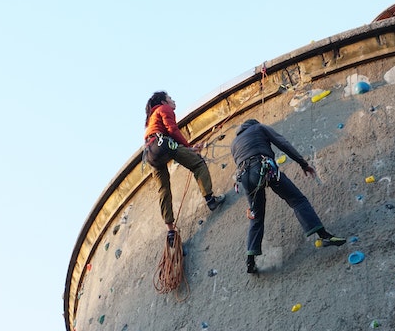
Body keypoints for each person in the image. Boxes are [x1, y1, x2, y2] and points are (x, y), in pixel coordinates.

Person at [231, 118, 345, 274]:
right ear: (254, 124)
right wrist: (302, 163)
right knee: (297, 200)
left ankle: (250, 260)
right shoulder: (259, 128)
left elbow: (241, 162)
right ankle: (324, 235)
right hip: (264, 167)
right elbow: (282, 143)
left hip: (244, 177)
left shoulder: (234, 143)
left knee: (256, 216)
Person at [144, 91, 225, 242]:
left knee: (163, 189)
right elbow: (172, 130)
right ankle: (210, 199)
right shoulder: (164, 109)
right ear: (163, 102)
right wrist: (189, 147)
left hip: (150, 154)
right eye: (170, 99)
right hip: (163, 145)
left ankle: (170, 230)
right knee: (198, 163)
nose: (173, 101)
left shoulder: (150, 122)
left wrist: (188, 149)